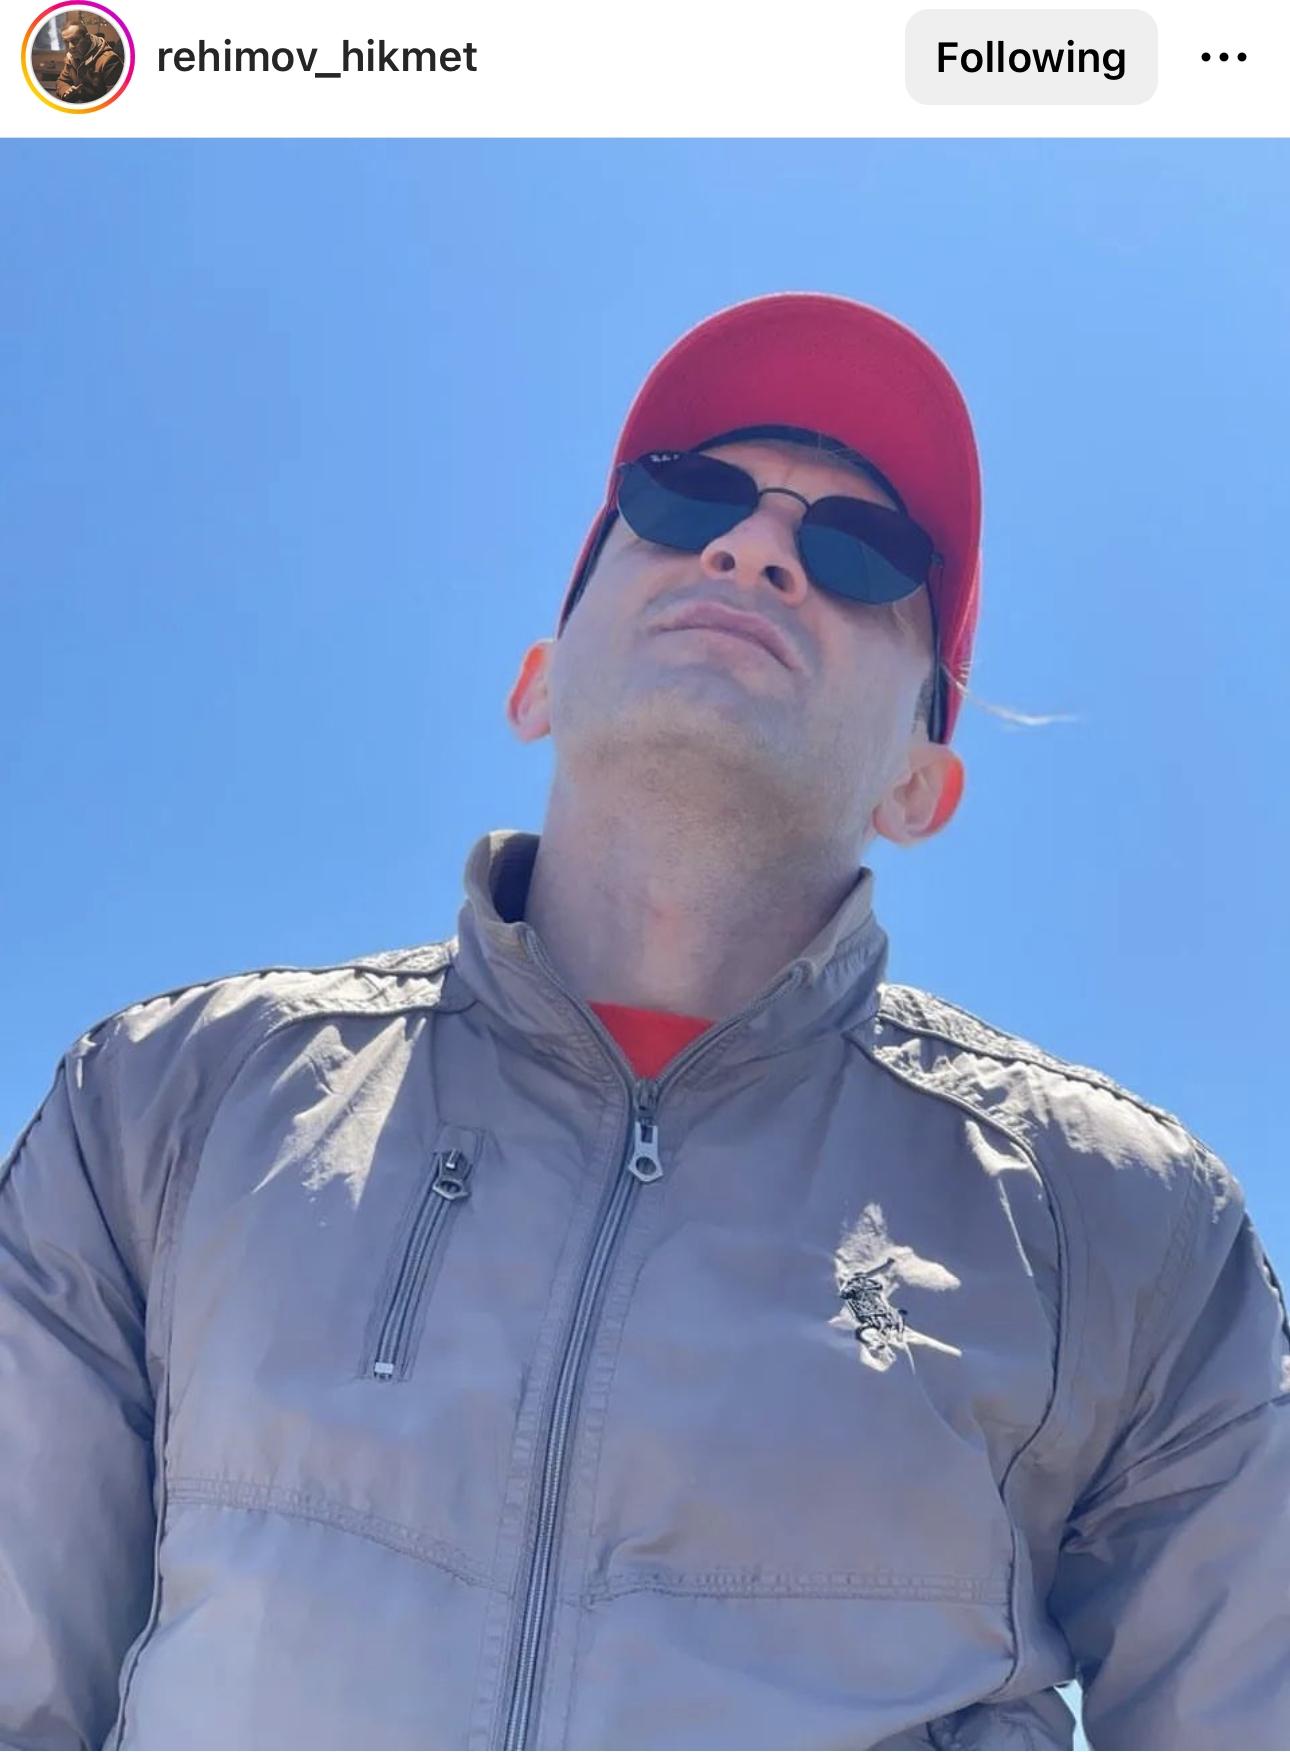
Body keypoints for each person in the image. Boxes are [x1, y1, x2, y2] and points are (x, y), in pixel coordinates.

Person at [1, 292, 1286, 1751]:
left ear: (919, 786)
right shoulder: (165, 1107)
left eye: (862, 552)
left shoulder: (1126, 1227)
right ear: (536, 685)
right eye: (682, 499)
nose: (754, 549)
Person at [52, 20, 123, 103]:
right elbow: (61, 81)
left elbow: (115, 98)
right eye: (66, 42)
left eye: (75, 40)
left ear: (87, 38)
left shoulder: (109, 59)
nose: (70, 47)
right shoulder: (71, 58)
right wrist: (66, 90)